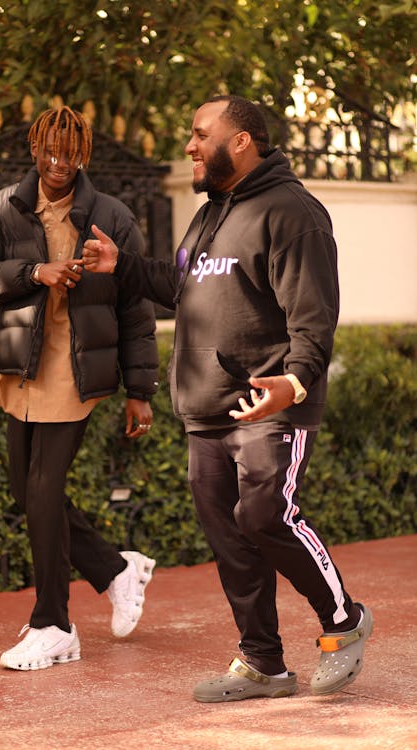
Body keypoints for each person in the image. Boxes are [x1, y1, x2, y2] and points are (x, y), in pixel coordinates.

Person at [82, 95, 373, 702]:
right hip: (205, 402)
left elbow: (315, 319)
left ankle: (344, 620)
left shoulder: (294, 214)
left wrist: (292, 384)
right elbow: (183, 285)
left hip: (269, 401)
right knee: (230, 538)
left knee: (266, 518)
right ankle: (262, 660)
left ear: (241, 140)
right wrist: (123, 266)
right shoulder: (211, 212)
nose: (188, 145)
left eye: (198, 134)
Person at [0, 106, 158, 671]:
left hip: (77, 370)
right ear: (35, 148)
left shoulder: (111, 216)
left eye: (70, 153)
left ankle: (54, 623)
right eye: (50, 150)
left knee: (44, 491)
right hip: (22, 365)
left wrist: (139, 390)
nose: (59, 162)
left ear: (83, 155)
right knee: (25, 491)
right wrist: (32, 273)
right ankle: (115, 569)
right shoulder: (6, 207)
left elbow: (136, 306)